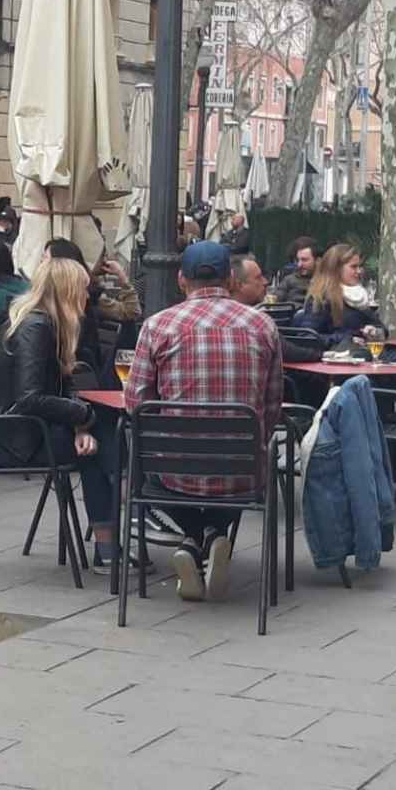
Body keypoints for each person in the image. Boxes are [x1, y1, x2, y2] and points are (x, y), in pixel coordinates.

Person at [126, 242, 277, 601]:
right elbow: (271, 408)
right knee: (240, 460)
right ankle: (209, 536)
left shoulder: (157, 326)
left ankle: (195, 539)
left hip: (175, 470)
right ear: (229, 279)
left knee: (145, 458)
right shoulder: (264, 325)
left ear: (181, 279)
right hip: (243, 470)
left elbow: (136, 405)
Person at [0, 256, 124, 570]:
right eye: (83, 288)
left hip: (19, 428)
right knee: (104, 441)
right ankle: (121, 531)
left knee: (101, 433)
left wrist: (80, 425)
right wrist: (83, 418)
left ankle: (116, 534)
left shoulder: (45, 322)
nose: (88, 295)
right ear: (67, 291)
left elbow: (59, 387)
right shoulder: (36, 327)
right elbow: (30, 399)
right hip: (6, 438)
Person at [43, 239, 142, 383]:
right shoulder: (43, 302)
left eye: (46, 259)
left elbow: (131, 312)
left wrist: (122, 278)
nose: (42, 265)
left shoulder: (88, 298)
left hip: (81, 377)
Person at [232, 254, 319, 365]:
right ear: (239, 285)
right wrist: (322, 355)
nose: (265, 282)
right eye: (258, 277)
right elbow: (287, 351)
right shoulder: (257, 321)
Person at [294, 244, 384, 347]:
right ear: (336, 269)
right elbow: (307, 337)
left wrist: (375, 331)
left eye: (359, 266)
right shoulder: (321, 298)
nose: (359, 271)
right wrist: (346, 339)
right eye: (354, 267)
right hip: (340, 357)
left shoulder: (359, 297)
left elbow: (381, 327)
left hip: (365, 353)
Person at [274, 237, 317, 307]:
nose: (299, 265)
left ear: (317, 260)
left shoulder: (325, 281)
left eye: (304, 260)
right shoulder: (288, 280)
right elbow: (274, 300)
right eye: (297, 260)